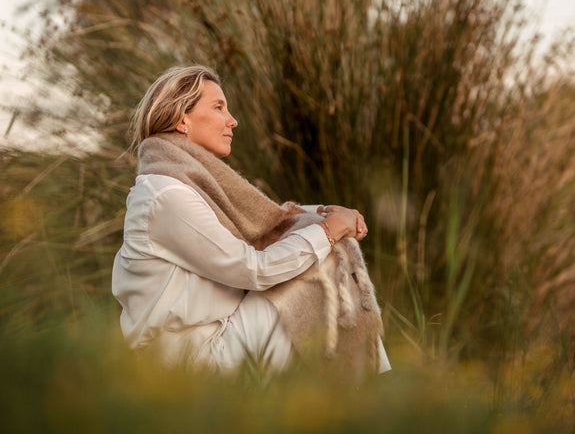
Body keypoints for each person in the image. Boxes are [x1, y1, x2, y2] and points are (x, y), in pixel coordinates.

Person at [111, 65, 390, 376]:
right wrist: (325, 232)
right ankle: (373, 390)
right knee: (323, 259)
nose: (233, 120)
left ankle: (362, 390)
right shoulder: (166, 195)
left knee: (323, 249)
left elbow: (257, 229)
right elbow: (253, 268)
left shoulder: (186, 185)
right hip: (188, 364)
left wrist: (321, 215)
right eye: (218, 107)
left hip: (216, 339)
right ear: (181, 119)